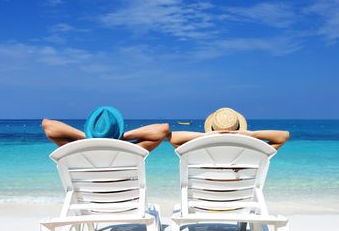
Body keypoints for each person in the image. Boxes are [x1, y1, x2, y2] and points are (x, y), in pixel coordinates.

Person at [42, 107, 289, 151]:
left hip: (92, 198)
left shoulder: (72, 150)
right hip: (238, 200)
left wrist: (87, 138)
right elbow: (162, 130)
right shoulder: (254, 150)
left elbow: (48, 124)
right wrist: (243, 136)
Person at [166, 108, 289, 150]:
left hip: (206, 203)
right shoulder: (251, 154)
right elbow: (283, 137)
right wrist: (250, 134)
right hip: (240, 203)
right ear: (240, 127)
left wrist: (204, 136)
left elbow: (172, 138)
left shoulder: (199, 151)